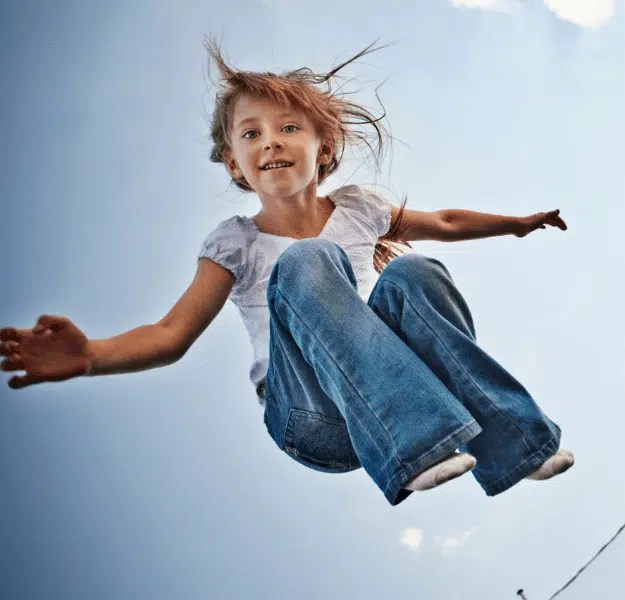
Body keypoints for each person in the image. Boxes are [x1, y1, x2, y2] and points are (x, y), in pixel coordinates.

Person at [0, 39, 574, 507]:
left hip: (393, 386)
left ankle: (515, 444)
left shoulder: (361, 208)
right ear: (234, 163)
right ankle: (414, 446)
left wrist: (516, 225)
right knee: (307, 261)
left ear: (324, 148)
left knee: (414, 273)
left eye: (288, 128)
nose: (270, 141)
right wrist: (91, 355)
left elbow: (444, 220)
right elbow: (170, 335)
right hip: (312, 416)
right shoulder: (236, 243)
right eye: (251, 134)